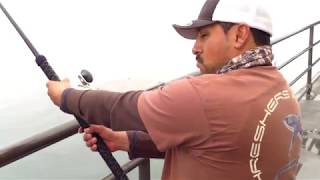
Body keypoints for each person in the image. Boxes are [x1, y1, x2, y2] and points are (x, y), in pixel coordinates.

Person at [47, 0, 303, 179]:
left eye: (203, 35)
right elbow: (218, 143)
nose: (195, 48)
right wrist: (124, 141)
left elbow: (123, 107)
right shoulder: (280, 88)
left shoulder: (205, 95)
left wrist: (65, 95)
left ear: (239, 35)